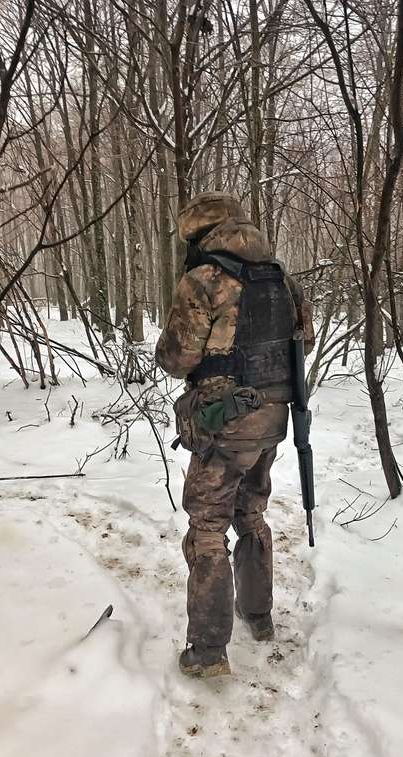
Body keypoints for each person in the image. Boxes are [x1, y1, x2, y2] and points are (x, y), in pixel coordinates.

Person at [155, 191, 314, 678]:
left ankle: (207, 652)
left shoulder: (204, 280)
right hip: (275, 420)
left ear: (199, 234)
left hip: (223, 424)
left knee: (206, 527)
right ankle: (259, 615)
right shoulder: (282, 279)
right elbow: (303, 341)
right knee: (252, 512)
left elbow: (177, 357)